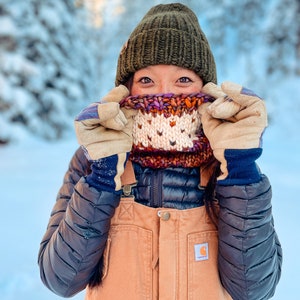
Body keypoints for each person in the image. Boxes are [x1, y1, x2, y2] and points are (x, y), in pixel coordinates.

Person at [38, 3, 282, 300]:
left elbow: (255, 288)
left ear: (206, 89)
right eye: (146, 80)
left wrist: (241, 167)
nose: (163, 92)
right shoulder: (94, 158)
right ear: (126, 90)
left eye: (183, 79)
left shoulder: (226, 165)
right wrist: (102, 177)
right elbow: (59, 279)